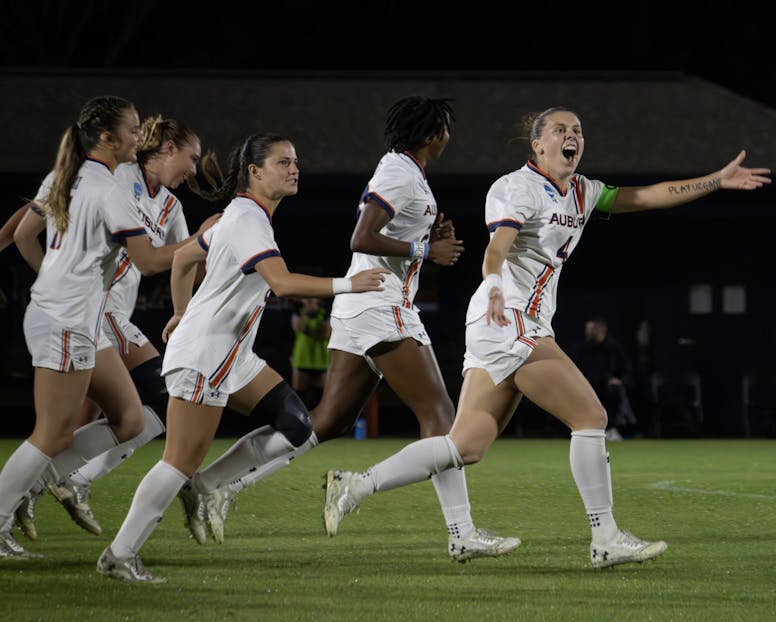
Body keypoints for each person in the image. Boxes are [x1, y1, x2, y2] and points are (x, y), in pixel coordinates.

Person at [322, 106, 771, 568]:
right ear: (537, 144)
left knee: (466, 446)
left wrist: (715, 180)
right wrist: (495, 286)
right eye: (560, 130)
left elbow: (649, 196)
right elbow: (496, 249)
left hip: (509, 325)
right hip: (508, 318)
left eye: (577, 130)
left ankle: (355, 486)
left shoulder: (583, 191)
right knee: (591, 417)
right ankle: (606, 537)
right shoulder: (514, 188)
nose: (571, 136)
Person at [174, 96, 519, 562]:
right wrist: (424, 252)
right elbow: (361, 237)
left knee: (328, 420)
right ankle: (454, 530)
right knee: (440, 420)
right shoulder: (398, 171)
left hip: (364, 309)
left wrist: (425, 242)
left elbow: (382, 237)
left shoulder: (404, 170)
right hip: (379, 306)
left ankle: (217, 485)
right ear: (434, 134)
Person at [96, 133, 388, 583]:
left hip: (232, 354)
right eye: (282, 162)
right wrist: (350, 284)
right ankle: (119, 554)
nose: (294, 169)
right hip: (207, 353)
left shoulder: (238, 216)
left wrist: (180, 311)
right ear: (253, 171)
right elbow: (283, 283)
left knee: (295, 422)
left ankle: (207, 487)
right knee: (178, 459)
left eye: (296, 161)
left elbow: (182, 260)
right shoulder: (247, 218)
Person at [8, 115, 222, 541]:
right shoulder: (114, 178)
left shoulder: (171, 206)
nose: (194, 170)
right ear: (167, 150)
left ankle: (35, 489)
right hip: (93, 312)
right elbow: (30, 223)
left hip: (109, 317)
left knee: (109, 422)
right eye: (191, 157)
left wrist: (233, 268)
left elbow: (183, 264)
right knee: (150, 402)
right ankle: (62, 483)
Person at [0, 95, 167, 560]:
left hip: (74, 319)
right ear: (109, 139)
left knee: (131, 420)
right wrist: (203, 241)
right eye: (133, 130)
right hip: (67, 322)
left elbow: (22, 236)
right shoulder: (109, 189)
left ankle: (32, 490)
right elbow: (150, 261)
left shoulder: (65, 176)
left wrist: (52, 279)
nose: (140, 137)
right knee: (50, 433)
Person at [570, 316, 637, 441]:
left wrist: (619, 379)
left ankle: (613, 428)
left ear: (601, 329)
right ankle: (583, 430)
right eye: (588, 329)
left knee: (616, 391)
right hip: (587, 386)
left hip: (607, 387)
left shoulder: (613, 349)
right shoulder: (581, 349)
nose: (589, 332)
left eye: (592, 329)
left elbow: (626, 369)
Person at [289, 297, 330, 409]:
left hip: (321, 361)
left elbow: (324, 335)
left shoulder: (325, 314)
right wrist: (307, 314)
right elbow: (299, 328)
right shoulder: (298, 313)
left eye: (311, 300)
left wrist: (311, 331)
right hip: (302, 360)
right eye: (306, 300)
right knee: (300, 397)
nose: (308, 302)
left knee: (321, 397)